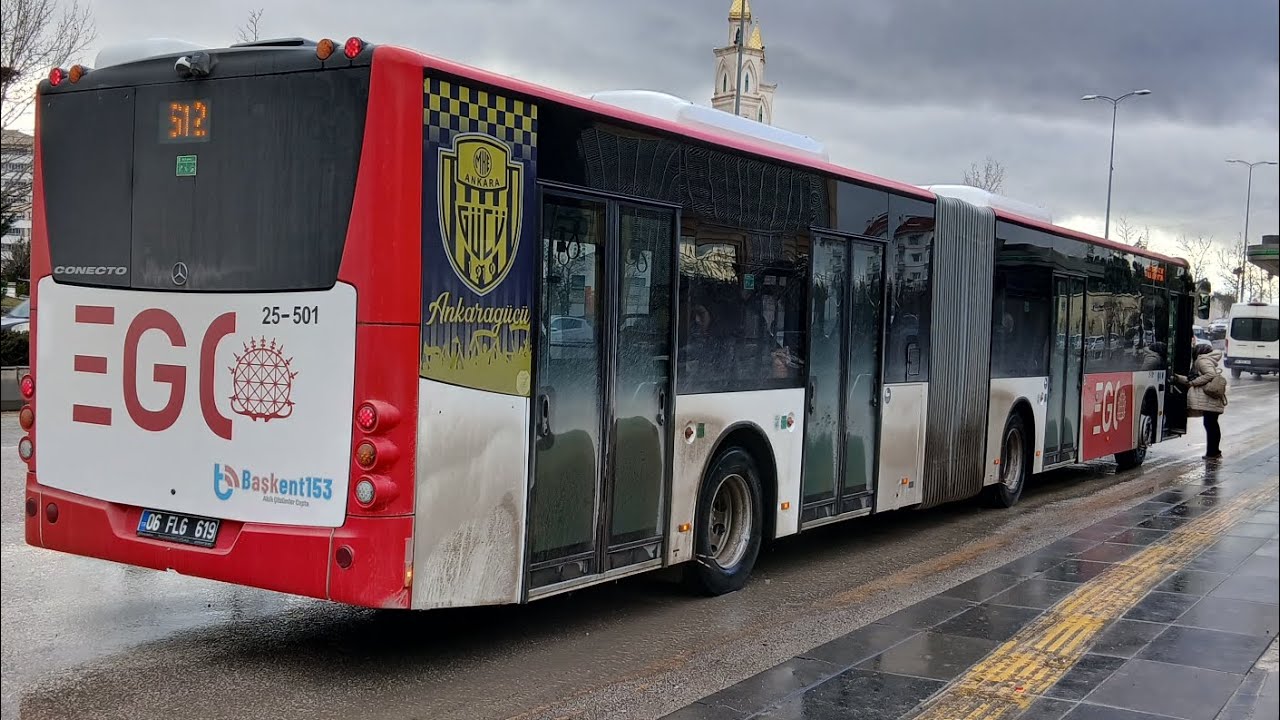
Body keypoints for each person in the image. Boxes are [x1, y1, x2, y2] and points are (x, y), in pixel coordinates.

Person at [1174, 343, 1228, 459]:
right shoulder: (1206, 360)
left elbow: (1210, 374)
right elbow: (1193, 378)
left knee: (1211, 425)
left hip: (1209, 398)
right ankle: (1214, 451)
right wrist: (1180, 378)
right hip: (1211, 399)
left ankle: (1213, 452)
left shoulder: (1202, 360)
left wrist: (1194, 383)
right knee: (1211, 424)